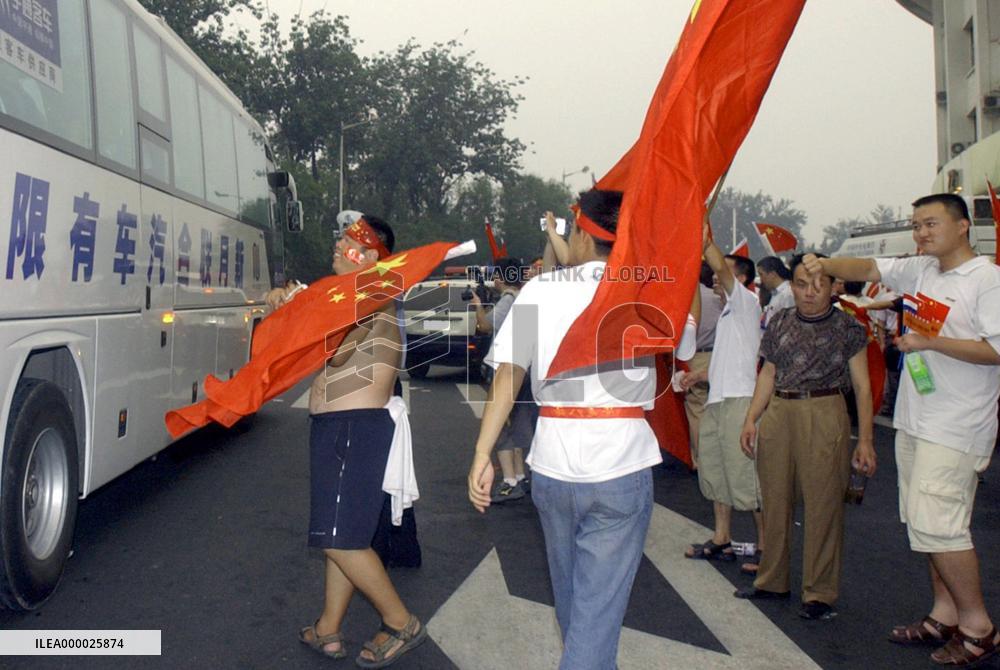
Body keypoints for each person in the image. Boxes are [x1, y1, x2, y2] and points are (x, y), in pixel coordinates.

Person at [468, 188, 697, 669]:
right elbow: (686, 338)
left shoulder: (540, 289)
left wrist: (481, 454)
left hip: (552, 465)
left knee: (578, 613)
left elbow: (509, 375)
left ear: (582, 233)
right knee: (592, 618)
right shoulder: (642, 287)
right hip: (620, 465)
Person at [802, 193, 1000, 666]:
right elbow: (869, 268)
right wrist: (823, 260)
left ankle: (979, 628)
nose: (921, 234)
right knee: (924, 524)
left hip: (956, 425)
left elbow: (995, 350)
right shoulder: (921, 270)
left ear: (963, 226)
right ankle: (943, 614)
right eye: (916, 225)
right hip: (916, 420)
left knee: (941, 525)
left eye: (931, 224)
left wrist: (930, 341)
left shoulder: (986, 279)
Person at [298, 215, 426, 667]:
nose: (337, 245)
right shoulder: (357, 297)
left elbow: (335, 345)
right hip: (341, 429)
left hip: (353, 430)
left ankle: (400, 622)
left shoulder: (371, 299)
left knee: (341, 540)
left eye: (348, 241)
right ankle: (329, 628)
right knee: (341, 534)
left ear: (371, 256)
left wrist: (297, 307)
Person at [736, 253, 877, 621]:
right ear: (792, 285)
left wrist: (865, 440)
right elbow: (768, 372)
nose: (810, 292)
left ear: (833, 286)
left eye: (819, 284)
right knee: (775, 498)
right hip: (780, 412)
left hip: (825, 411)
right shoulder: (780, 319)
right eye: (801, 284)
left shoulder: (848, 328)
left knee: (823, 505)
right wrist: (752, 418)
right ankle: (771, 580)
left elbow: (862, 388)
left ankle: (819, 592)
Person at [682, 223, 764, 572]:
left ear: (742, 279)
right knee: (715, 474)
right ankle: (721, 537)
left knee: (748, 479)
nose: (717, 279)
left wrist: (704, 243)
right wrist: (696, 377)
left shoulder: (745, 303)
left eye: (726, 274)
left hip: (740, 402)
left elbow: (717, 266)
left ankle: (767, 547)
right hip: (717, 401)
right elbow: (724, 361)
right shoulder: (728, 317)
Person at [469, 257, 537, 502]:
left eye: (496, 274)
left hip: (509, 368)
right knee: (519, 425)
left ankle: (509, 481)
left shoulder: (509, 300)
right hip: (526, 370)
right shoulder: (526, 296)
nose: (493, 278)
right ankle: (521, 477)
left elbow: (485, 326)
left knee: (498, 427)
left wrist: (478, 306)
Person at [683, 261, 724, 471]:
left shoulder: (685, 297)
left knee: (696, 410)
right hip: (716, 358)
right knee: (713, 408)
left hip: (693, 357)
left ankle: (702, 459)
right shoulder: (717, 298)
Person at [757, 255, 794, 328]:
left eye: (761, 274)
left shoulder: (787, 294)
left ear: (772, 274)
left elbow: (788, 323)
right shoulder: (775, 294)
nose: (760, 279)